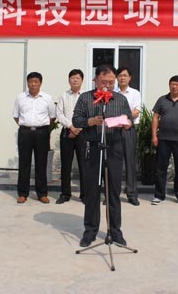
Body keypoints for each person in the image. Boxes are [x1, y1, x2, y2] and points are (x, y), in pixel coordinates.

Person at [72, 64, 133, 247]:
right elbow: (76, 120)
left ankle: (115, 231)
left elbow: (129, 120)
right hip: (93, 148)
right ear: (96, 80)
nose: (108, 85)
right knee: (92, 192)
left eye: (111, 82)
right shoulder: (85, 98)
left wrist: (126, 124)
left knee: (113, 191)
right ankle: (90, 230)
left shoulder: (120, 99)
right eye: (104, 82)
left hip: (114, 148)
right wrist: (91, 121)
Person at [151, 75, 178, 206]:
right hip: (163, 139)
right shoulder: (162, 100)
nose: (174, 87)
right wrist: (154, 136)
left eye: (176, 84)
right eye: (172, 84)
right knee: (160, 168)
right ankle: (159, 195)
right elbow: (155, 117)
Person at [12, 72, 56, 204]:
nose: (33, 84)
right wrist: (26, 125)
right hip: (25, 132)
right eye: (31, 81)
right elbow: (16, 116)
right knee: (24, 163)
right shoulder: (20, 97)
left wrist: (41, 128)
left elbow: (52, 116)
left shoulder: (47, 98)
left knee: (41, 163)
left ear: (40, 83)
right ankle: (22, 193)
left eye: (36, 81)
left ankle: (42, 193)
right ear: (27, 83)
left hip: (41, 133)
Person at [55, 69, 86, 204]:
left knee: (83, 165)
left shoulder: (85, 96)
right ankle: (65, 194)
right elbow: (59, 114)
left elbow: (88, 114)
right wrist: (71, 127)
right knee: (66, 165)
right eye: (72, 78)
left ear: (82, 80)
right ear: (69, 80)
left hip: (82, 134)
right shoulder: (63, 96)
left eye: (77, 78)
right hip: (67, 133)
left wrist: (78, 129)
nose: (75, 80)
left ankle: (84, 195)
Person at [114, 66, 141, 206]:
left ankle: (131, 194)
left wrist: (124, 119)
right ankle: (113, 194)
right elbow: (111, 112)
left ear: (129, 78)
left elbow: (136, 112)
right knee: (114, 163)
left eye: (125, 75)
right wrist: (124, 118)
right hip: (114, 130)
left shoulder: (135, 93)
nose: (122, 78)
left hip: (129, 130)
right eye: (120, 75)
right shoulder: (112, 93)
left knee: (130, 162)